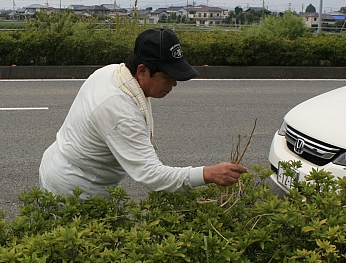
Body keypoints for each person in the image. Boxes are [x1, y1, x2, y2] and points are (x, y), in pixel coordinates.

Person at [38, 28, 248, 197]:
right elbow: (151, 175)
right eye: (168, 76)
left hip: (61, 164)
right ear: (142, 70)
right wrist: (208, 174)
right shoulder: (120, 111)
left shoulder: (113, 72)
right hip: (75, 188)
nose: (174, 83)